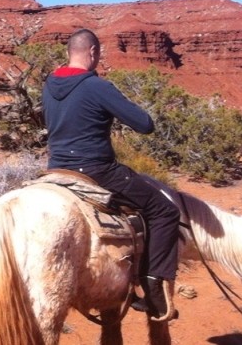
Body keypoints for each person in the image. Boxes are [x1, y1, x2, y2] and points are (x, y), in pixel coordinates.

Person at [42, 28, 179, 321]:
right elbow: (144, 124)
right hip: (96, 170)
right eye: (98, 55)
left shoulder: (50, 83)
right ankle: (154, 290)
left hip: (56, 168)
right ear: (92, 53)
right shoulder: (97, 86)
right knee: (164, 210)